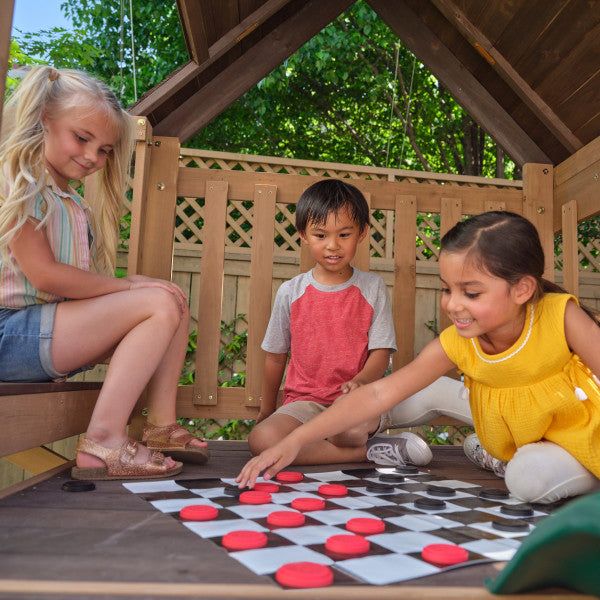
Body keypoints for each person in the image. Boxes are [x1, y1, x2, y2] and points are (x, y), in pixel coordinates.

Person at [237, 211, 600, 504]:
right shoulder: (457, 341)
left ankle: (507, 460)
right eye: (446, 289)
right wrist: (294, 440)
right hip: (523, 430)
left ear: (522, 288)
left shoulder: (560, 316)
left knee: (528, 479)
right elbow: (379, 394)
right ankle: (500, 454)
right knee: (521, 467)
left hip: (578, 438)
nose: (452, 305)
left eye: (470, 293)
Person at [0, 66, 208, 480]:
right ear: (43, 119)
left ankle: (160, 426)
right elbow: (45, 276)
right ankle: (105, 439)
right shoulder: (17, 182)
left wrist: (134, 289)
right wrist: (126, 285)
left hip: (43, 332)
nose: (94, 157)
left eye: (106, 150)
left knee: (173, 302)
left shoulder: (71, 201)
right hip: (11, 336)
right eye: (82, 138)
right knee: (155, 301)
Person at [248, 178, 471, 468]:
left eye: (344, 234)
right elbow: (276, 358)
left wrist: (362, 382)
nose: (332, 245)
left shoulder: (371, 288)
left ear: (362, 233)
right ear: (303, 235)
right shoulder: (290, 292)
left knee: (347, 430)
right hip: (304, 404)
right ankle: (369, 452)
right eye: (320, 235)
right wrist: (267, 410)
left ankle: (351, 444)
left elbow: (381, 353)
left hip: (358, 402)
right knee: (261, 440)